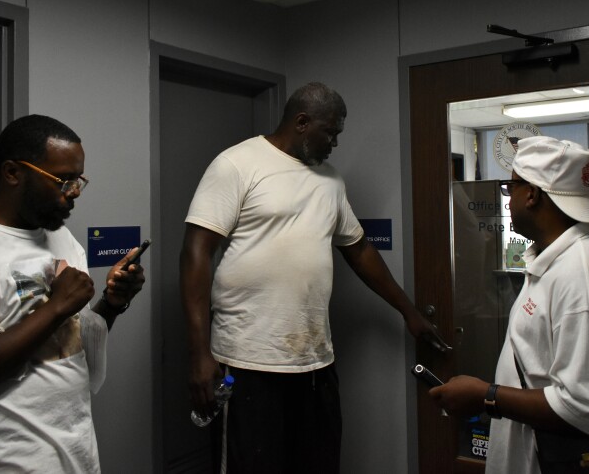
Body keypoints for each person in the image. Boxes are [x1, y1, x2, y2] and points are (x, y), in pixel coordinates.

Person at [180, 82, 447, 473]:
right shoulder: (237, 164)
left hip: (314, 362)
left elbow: (359, 250)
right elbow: (195, 253)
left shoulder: (331, 181)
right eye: (331, 132)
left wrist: (408, 311)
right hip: (248, 360)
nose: (335, 143)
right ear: (302, 122)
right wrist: (199, 353)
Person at [429, 136, 589, 473]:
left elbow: (588, 407)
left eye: (510, 187)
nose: (508, 198)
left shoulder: (587, 279)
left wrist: (485, 395)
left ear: (532, 194)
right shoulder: (555, 261)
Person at [0, 114, 146, 472]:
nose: (73, 193)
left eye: (78, 181)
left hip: (77, 451)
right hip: (8, 460)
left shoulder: (61, 238)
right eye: (63, 181)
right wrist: (55, 307)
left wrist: (112, 304)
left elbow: (73, 344)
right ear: (12, 173)